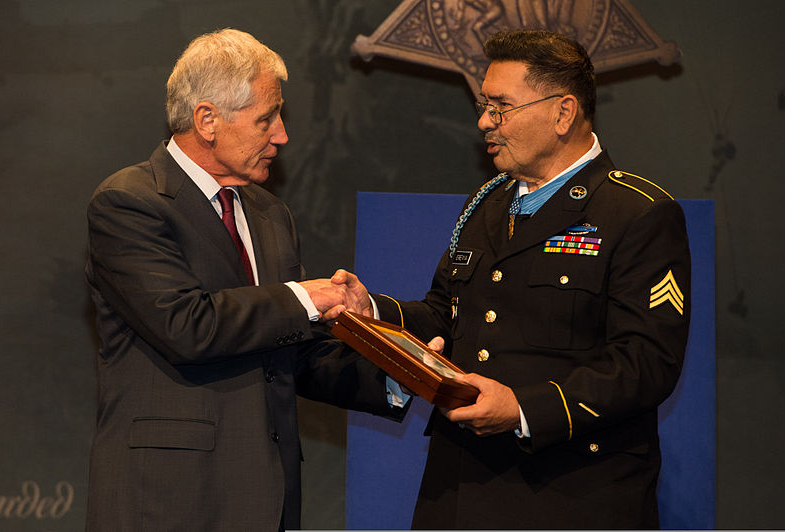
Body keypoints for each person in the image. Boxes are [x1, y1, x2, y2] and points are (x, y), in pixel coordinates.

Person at [370, 30, 691, 529]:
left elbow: (646, 364)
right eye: (484, 105)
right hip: (458, 491)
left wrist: (523, 408)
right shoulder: (487, 203)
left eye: (501, 107)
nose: (484, 122)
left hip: (570, 495)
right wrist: (370, 310)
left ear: (563, 113)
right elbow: (444, 316)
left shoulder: (638, 212)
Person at [85, 28, 403, 531]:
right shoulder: (129, 203)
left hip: (269, 499)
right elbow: (187, 326)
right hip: (170, 500)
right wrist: (306, 296)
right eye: (266, 119)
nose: (282, 135)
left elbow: (294, 353)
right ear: (207, 120)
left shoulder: (271, 214)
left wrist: (399, 373)